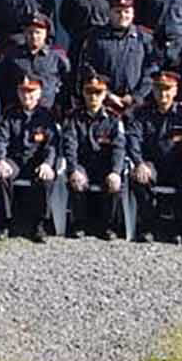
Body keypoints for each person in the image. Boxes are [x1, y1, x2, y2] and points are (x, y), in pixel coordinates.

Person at [128, 69, 182, 244]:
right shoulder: (142, 113)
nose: (163, 93)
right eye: (158, 89)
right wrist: (139, 163)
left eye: (167, 89)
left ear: (175, 90)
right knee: (140, 178)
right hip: (152, 164)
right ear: (153, 90)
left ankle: (180, 227)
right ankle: (148, 226)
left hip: (178, 164)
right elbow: (133, 139)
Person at [0, 74, 60, 241]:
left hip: (38, 160)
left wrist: (48, 164)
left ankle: (39, 224)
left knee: (46, 178)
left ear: (40, 93)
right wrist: (1, 160)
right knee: (0, 175)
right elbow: (1, 139)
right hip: (15, 159)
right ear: (18, 93)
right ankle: (5, 221)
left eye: (31, 91)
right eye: (23, 91)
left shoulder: (47, 116)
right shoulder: (10, 114)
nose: (27, 95)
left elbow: (52, 145)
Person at [62, 70, 127, 240]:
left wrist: (116, 171)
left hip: (105, 164)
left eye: (98, 92)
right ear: (83, 92)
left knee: (114, 182)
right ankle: (79, 223)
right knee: (76, 181)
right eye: (89, 92)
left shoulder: (114, 118)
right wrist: (73, 169)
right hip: (83, 163)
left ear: (105, 94)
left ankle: (109, 226)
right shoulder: (73, 117)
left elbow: (119, 147)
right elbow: (70, 145)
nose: (93, 97)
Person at [71, 0, 156, 111]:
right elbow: (87, 68)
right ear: (109, 13)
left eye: (127, 12)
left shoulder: (144, 38)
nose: (122, 16)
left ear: (133, 14)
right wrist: (108, 94)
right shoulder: (96, 37)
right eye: (118, 12)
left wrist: (136, 96)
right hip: (104, 104)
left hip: (137, 106)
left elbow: (151, 70)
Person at [0, 13, 70, 113]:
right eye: (30, 32)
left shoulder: (57, 58)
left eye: (38, 32)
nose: (34, 36)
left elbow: (66, 85)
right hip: (17, 115)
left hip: (48, 114)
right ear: (24, 33)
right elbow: (3, 84)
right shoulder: (11, 56)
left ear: (46, 33)